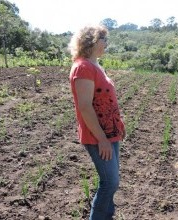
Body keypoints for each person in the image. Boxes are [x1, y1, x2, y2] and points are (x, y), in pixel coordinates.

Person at [68, 25, 126, 220]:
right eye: (103, 39)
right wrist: (102, 139)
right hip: (98, 136)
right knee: (109, 182)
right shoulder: (83, 67)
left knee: (113, 182)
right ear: (92, 41)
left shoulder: (94, 65)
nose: (106, 43)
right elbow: (85, 106)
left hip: (110, 132)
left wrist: (119, 123)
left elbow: (105, 100)